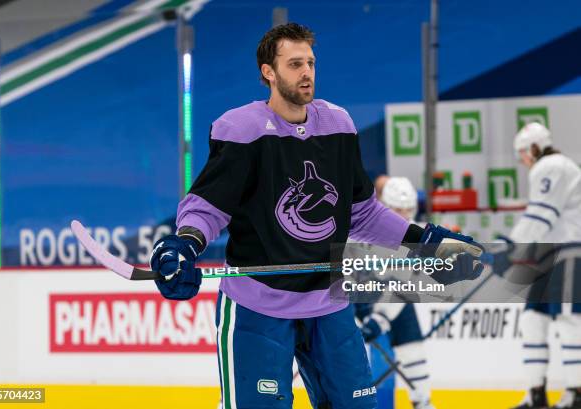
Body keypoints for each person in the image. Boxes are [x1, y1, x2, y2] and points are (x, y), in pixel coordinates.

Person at [149, 23, 483, 409]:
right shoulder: (241, 129)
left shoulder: (338, 125)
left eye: (310, 62)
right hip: (259, 305)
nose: (306, 72)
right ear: (268, 72)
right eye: (294, 64)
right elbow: (208, 205)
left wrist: (425, 243)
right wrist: (186, 242)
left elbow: (363, 213)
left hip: (329, 302)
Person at [504, 122, 581, 409]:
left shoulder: (551, 167)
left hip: (567, 253)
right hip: (547, 256)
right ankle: (536, 394)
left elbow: (541, 216)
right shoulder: (552, 167)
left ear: (534, 149)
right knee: (532, 320)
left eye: (523, 153)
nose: (523, 160)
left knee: (569, 321)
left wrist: (510, 246)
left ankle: (576, 393)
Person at [354, 177, 437, 409]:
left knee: (412, 349)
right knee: (345, 351)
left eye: (409, 210)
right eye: (398, 210)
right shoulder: (362, 228)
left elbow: (405, 285)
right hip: (359, 296)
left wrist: (380, 318)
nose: (405, 216)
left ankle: (423, 401)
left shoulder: (418, 237)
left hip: (393, 300)